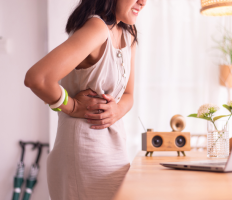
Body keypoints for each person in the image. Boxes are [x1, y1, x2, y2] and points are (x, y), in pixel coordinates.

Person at [24, 0, 146, 199]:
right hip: (83, 154)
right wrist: (71, 106)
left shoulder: (128, 33)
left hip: (114, 151)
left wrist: (117, 110)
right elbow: (38, 78)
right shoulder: (97, 28)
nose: (143, 2)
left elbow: (129, 95)